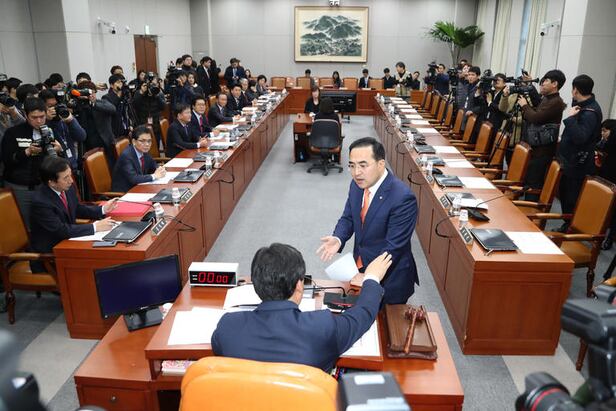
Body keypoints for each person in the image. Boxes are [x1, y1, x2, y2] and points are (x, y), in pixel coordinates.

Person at [212, 243, 391, 372]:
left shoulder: (228, 327)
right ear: (299, 285)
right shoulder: (321, 327)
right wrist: (372, 278)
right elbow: (362, 315)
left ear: (256, 285)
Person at [317, 137, 418, 304]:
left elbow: (393, 247)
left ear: (380, 164)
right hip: (360, 265)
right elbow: (349, 217)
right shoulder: (357, 185)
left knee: (384, 318)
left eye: (363, 165)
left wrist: (370, 277)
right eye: (352, 165)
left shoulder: (402, 198)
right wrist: (338, 238)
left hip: (389, 276)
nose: (356, 172)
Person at [31, 156, 117, 261]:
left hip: (69, 241)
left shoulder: (67, 187)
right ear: (52, 182)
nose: (71, 181)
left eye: (70, 175)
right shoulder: (40, 202)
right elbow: (60, 230)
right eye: (65, 178)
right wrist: (95, 227)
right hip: (51, 254)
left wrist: (102, 209)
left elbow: (77, 208)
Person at [2, 97, 65, 228]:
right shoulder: (13, 132)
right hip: (20, 187)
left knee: (48, 224)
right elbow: (7, 161)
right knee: (24, 227)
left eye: (42, 117)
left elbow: (61, 161)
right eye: (34, 117)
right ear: (26, 115)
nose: (39, 121)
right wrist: (27, 152)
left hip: (44, 187)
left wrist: (59, 150)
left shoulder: (50, 130)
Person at [518, 69, 567, 201]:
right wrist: (530, 84)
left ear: (555, 84)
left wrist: (524, 106)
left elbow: (536, 118)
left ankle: (529, 210)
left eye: (545, 81)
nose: (542, 83)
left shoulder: (556, 102)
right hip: (536, 147)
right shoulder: (548, 98)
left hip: (542, 151)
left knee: (534, 184)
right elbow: (537, 103)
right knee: (529, 181)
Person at [557, 74, 602, 216]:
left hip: (578, 163)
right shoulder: (583, 105)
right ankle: (567, 222)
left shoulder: (590, 113)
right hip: (571, 160)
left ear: (575, 90)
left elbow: (580, 138)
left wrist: (571, 119)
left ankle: (569, 225)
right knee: (565, 193)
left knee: (572, 198)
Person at [40, 89, 86, 173]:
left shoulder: (64, 116)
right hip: (56, 170)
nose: (55, 108)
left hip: (72, 166)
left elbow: (81, 137)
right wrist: (45, 120)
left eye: (57, 105)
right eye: (50, 106)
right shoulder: (41, 122)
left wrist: (71, 121)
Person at [73, 81, 117, 167]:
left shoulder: (101, 102)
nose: (91, 95)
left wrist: (93, 104)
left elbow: (112, 109)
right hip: (88, 146)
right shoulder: (78, 106)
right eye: (88, 93)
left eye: (93, 92)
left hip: (106, 143)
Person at [111, 125, 166, 192]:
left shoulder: (144, 151)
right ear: (134, 142)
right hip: (125, 192)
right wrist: (154, 176)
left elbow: (153, 164)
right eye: (142, 141)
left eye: (149, 141)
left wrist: (159, 169)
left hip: (139, 187)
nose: (147, 144)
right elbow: (134, 178)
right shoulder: (126, 156)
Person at [132, 75, 166, 147]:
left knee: (156, 144)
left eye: (154, 84)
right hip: (143, 123)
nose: (151, 87)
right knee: (144, 145)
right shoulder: (139, 93)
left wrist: (157, 96)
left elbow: (163, 107)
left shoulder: (158, 93)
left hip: (156, 123)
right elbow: (135, 106)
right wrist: (142, 93)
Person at [597, 120, 616, 250]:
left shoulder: (612, 140)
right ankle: (600, 236)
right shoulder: (607, 141)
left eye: (605, 131)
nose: (602, 133)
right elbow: (600, 147)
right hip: (607, 175)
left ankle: (609, 238)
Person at [461, 66, 487, 142]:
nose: (470, 77)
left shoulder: (480, 88)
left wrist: (473, 110)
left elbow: (483, 106)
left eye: (473, 75)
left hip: (475, 119)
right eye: (469, 74)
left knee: (470, 140)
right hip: (465, 116)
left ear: (478, 76)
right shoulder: (467, 86)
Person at [102, 74, 131, 138]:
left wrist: (129, 125)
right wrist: (118, 97)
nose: (121, 84)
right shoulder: (106, 98)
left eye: (122, 82)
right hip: (115, 131)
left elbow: (127, 112)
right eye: (118, 82)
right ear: (111, 85)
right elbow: (112, 110)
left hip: (126, 130)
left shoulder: (124, 96)